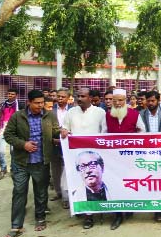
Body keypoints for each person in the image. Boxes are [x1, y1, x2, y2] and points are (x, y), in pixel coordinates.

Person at [4, 90, 60, 236]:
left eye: (42, 103)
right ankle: (16, 226)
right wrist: (23, 144)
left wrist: (62, 132)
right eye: (37, 103)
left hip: (41, 161)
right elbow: (8, 135)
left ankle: (40, 219)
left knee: (41, 193)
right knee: (19, 192)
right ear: (29, 102)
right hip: (21, 163)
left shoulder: (49, 115)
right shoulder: (18, 116)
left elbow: (55, 132)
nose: (40, 105)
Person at [61, 87, 107, 229]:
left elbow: (104, 133)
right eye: (78, 96)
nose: (79, 98)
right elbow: (65, 128)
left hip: (95, 157)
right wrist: (63, 131)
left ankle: (90, 216)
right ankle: (85, 212)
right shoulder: (71, 112)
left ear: (90, 98)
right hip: (77, 157)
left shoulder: (100, 112)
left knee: (94, 185)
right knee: (78, 186)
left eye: (83, 96)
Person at [105, 88, 145, 230]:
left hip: (130, 158)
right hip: (113, 159)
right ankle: (117, 215)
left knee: (128, 184)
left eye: (121, 100)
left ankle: (128, 208)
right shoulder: (107, 115)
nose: (117, 103)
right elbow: (103, 135)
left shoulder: (134, 114)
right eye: (115, 100)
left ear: (125, 100)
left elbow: (142, 131)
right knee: (114, 185)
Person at [139, 90, 161, 222]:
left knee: (160, 182)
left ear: (159, 101)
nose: (150, 103)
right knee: (148, 181)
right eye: (148, 101)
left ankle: (158, 211)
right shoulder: (140, 115)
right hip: (146, 155)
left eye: (153, 101)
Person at [50, 88, 73, 209]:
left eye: (62, 97)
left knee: (66, 170)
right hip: (54, 145)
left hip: (69, 145)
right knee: (55, 170)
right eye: (58, 96)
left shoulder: (73, 110)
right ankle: (58, 192)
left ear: (68, 98)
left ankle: (66, 198)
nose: (59, 98)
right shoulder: (50, 111)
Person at [0, 88, 23, 180]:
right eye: (9, 94)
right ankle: (3, 169)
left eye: (12, 94)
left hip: (14, 130)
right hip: (3, 129)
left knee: (13, 151)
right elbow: (0, 118)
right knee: (0, 150)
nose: (10, 95)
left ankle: (13, 170)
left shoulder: (20, 105)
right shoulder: (4, 104)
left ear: (16, 95)